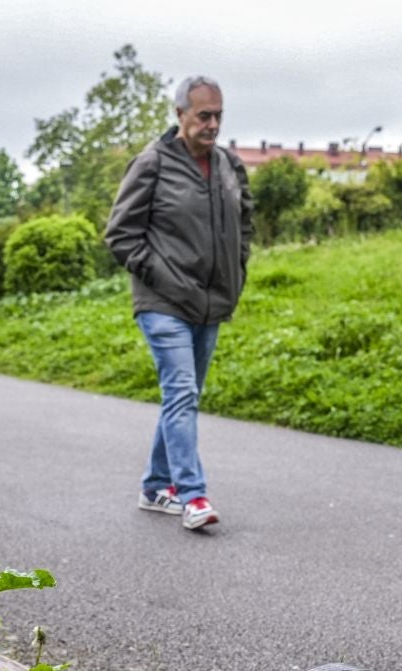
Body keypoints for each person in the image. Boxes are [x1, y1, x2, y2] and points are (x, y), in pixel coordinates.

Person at [104, 74, 253, 532]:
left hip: (211, 300)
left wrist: (238, 267)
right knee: (182, 392)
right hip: (162, 300)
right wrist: (160, 275)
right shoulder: (152, 163)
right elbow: (120, 235)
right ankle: (193, 496)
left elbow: (245, 222)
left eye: (218, 116)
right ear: (180, 115)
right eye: (204, 115)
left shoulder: (229, 165)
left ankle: (155, 486)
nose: (212, 125)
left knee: (181, 396)